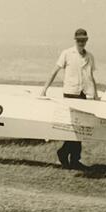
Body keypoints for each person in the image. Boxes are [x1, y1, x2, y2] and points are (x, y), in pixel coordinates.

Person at [40, 28, 99, 169]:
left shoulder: (90, 56)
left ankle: (72, 158)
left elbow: (91, 76)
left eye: (84, 40)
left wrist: (95, 94)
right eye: (79, 40)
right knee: (73, 128)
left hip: (83, 94)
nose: (81, 42)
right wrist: (44, 89)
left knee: (80, 128)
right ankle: (68, 157)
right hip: (70, 94)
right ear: (75, 40)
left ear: (87, 40)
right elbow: (55, 71)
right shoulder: (67, 53)